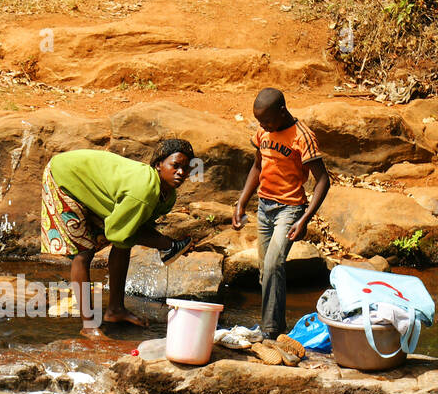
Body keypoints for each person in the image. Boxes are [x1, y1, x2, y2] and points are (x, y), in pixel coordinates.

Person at [41, 140, 194, 332]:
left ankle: (115, 310)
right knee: (84, 253)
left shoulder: (168, 196)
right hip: (65, 176)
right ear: (158, 165)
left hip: (91, 184)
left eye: (186, 168)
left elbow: (136, 228)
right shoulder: (143, 190)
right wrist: (166, 244)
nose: (181, 172)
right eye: (175, 165)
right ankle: (88, 325)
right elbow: (116, 232)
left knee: (124, 244)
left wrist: (171, 245)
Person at [232, 88, 331, 339]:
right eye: (259, 121)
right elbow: (257, 165)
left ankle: (270, 331)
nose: (262, 125)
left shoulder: (302, 136)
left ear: (282, 111)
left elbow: (322, 180)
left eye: (266, 120)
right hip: (264, 207)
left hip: (290, 209)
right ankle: (275, 327)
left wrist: (304, 218)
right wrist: (242, 201)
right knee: (265, 270)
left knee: (274, 263)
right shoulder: (264, 131)